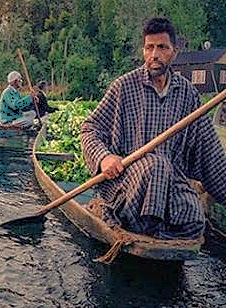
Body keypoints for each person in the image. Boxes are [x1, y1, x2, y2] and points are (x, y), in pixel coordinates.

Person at [81, 17, 226, 240]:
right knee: (155, 165)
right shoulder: (124, 87)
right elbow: (90, 129)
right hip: (127, 182)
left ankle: (155, 236)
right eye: (149, 47)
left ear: (174, 52)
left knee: (195, 218)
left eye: (162, 47)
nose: (154, 54)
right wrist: (104, 158)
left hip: (170, 182)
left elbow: (211, 152)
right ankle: (137, 225)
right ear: (143, 50)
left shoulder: (187, 95)